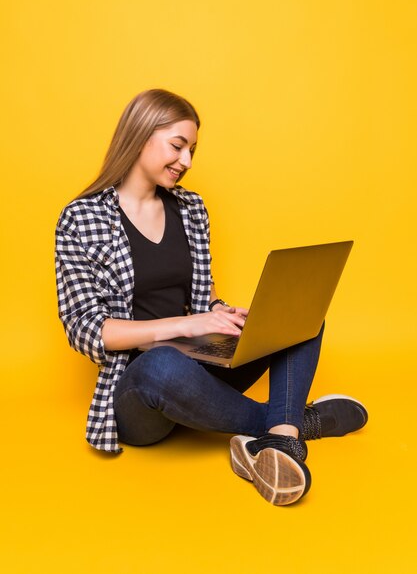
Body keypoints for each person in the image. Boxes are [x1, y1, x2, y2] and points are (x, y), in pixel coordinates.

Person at [55, 88, 368, 506]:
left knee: (299, 315)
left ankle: (277, 439)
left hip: (201, 362)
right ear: (140, 134)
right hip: (139, 387)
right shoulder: (81, 218)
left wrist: (225, 315)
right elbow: (85, 329)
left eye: (192, 150)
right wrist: (186, 324)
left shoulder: (190, 208)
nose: (186, 162)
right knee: (161, 364)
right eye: (177, 146)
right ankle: (293, 424)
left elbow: (203, 293)